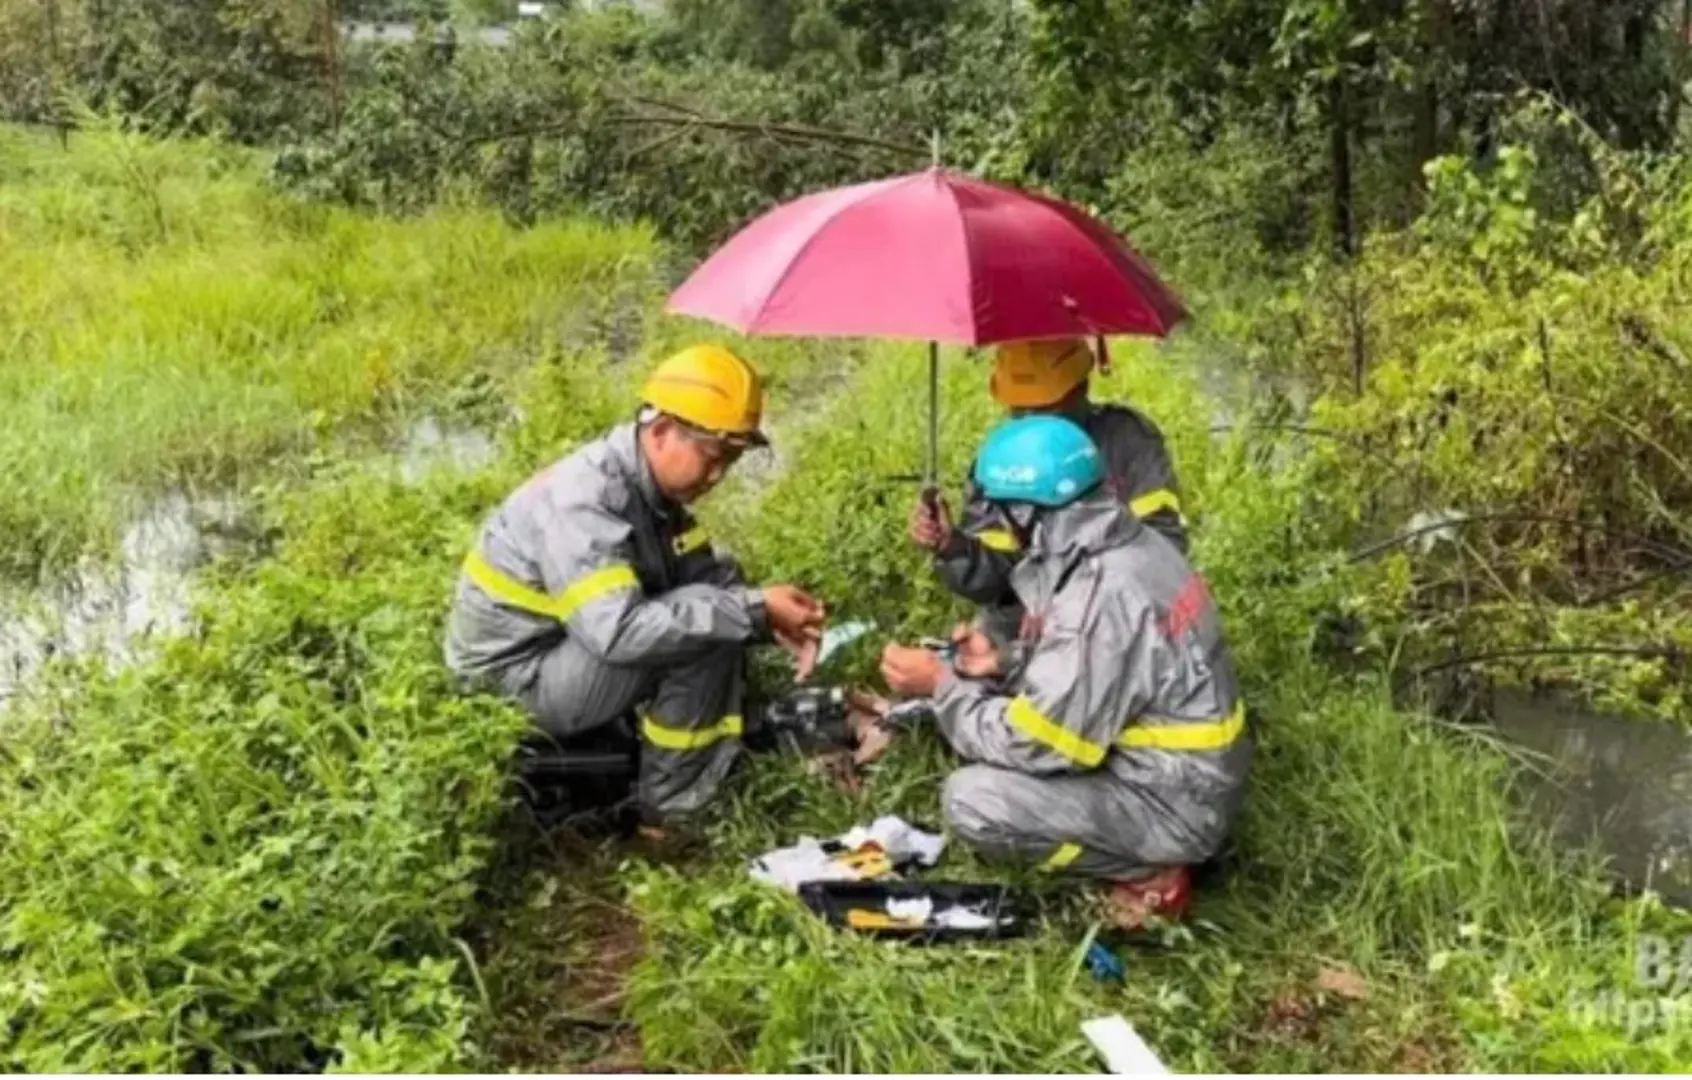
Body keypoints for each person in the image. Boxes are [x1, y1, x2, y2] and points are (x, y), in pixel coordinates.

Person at [880, 415, 1251, 924]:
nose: (996, 522)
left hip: (1177, 806)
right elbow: (1111, 663)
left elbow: (1043, 743)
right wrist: (1003, 661)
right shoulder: (1133, 546)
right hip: (1196, 780)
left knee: (972, 801)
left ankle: (1150, 873)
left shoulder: (1101, 596)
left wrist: (943, 688)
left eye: (999, 508)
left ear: (1028, 510)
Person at [444, 344, 827, 824]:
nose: (717, 476)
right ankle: (672, 807)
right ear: (662, 430)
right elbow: (618, 633)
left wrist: (769, 617)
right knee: (712, 623)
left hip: (559, 649)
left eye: (730, 461)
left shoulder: (649, 491)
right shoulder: (583, 502)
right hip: (511, 683)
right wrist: (748, 612)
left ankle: (703, 748)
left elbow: (705, 573)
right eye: (712, 456)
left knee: (721, 596)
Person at [910, 337, 1186, 646]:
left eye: (1045, 408)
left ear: (1080, 389)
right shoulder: (1003, 462)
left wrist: (1064, 602)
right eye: (1020, 409)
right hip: (1016, 640)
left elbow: (1161, 552)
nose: (1031, 420)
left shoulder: (1128, 442)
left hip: (1112, 631)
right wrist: (954, 547)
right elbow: (992, 580)